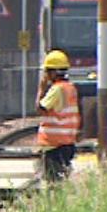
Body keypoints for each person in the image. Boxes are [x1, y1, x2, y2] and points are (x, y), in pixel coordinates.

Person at [35, 49, 80, 182]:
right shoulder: (70, 87)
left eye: (47, 71)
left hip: (53, 145)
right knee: (61, 181)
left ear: (54, 72)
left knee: (52, 183)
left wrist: (41, 89)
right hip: (67, 143)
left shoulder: (57, 89)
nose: (46, 75)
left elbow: (40, 108)